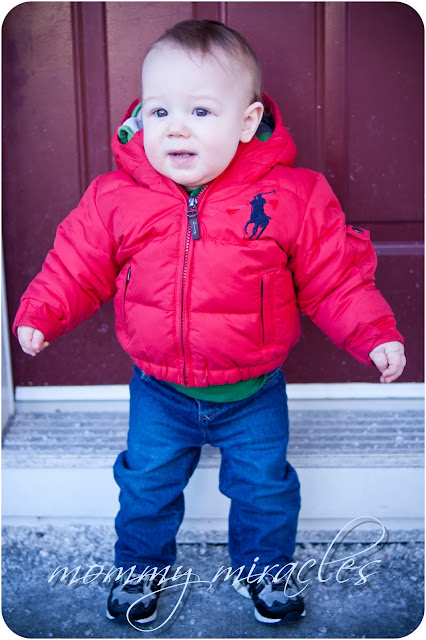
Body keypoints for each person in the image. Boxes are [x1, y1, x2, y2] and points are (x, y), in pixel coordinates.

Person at [13, 19, 406, 627]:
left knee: (264, 487)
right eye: (159, 110)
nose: (176, 126)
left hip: (254, 391)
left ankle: (265, 571)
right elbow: (75, 265)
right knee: (146, 485)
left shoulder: (291, 197)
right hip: (159, 390)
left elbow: (335, 277)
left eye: (200, 111)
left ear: (247, 123)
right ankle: (139, 569)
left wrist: (374, 333)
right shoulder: (115, 198)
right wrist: (42, 311)